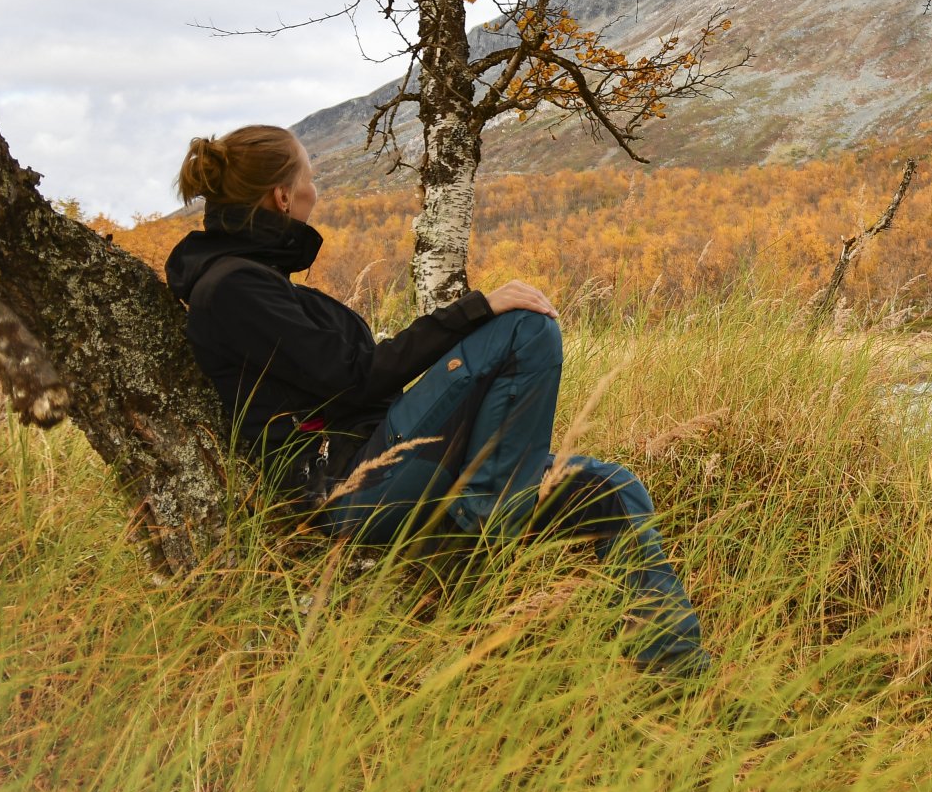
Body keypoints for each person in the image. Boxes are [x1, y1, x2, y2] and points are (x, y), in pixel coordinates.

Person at [163, 124, 706, 674]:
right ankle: (483, 529)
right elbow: (353, 376)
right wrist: (472, 311)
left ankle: (676, 675)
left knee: (610, 488)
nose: (315, 191)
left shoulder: (260, 282)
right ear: (283, 196)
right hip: (352, 483)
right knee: (524, 328)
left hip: (389, 463)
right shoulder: (234, 289)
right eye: (310, 177)